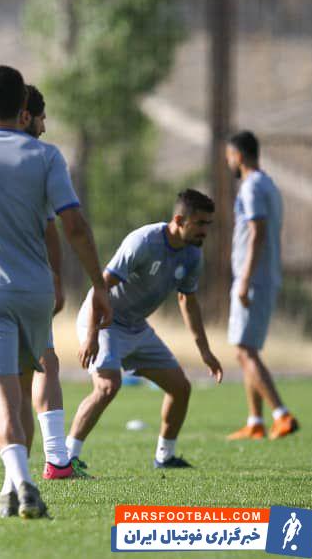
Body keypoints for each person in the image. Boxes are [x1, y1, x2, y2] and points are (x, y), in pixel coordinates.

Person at [0, 65, 111, 519]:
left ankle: (24, 483)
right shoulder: (46, 157)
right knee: (28, 383)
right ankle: (15, 489)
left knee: (1, 394)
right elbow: (71, 224)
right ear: (24, 108)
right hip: (35, 291)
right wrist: (97, 285)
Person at [66, 190, 224, 470]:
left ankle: (165, 456)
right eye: (200, 223)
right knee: (107, 386)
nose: (205, 231)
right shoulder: (144, 242)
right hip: (105, 321)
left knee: (180, 388)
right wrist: (91, 335)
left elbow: (187, 300)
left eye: (208, 225)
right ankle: (66, 459)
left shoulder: (192, 255)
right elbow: (101, 286)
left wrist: (205, 352)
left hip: (137, 327)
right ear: (179, 219)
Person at [224, 131, 298, 440]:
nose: (228, 161)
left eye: (228, 155)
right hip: (262, 276)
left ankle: (281, 414)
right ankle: (255, 421)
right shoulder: (268, 183)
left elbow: (258, 232)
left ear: (238, 155)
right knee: (245, 350)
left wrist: (243, 279)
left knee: (246, 350)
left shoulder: (252, 186)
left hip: (253, 279)